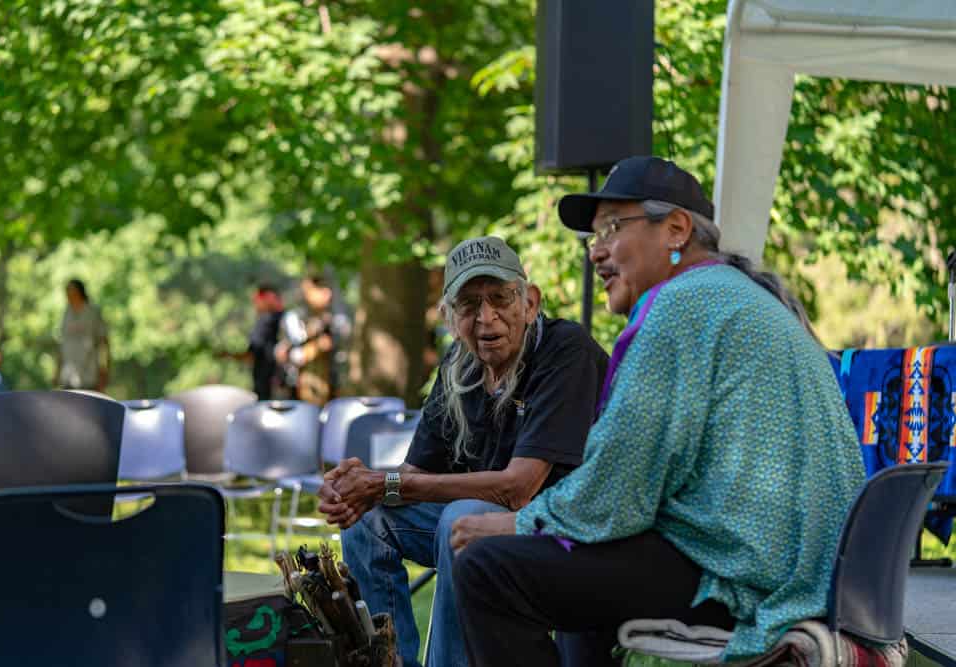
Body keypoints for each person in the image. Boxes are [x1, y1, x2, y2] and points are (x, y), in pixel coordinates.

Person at [448, 156, 867, 666]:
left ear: (675, 229)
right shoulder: (741, 297)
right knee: (576, 565)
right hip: (794, 571)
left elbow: (620, 488)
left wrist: (520, 524)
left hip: (744, 582)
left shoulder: (680, 307)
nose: (597, 253)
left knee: (489, 569)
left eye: (612, 229)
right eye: (593, 238)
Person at [317, 236, 609, 667]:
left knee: (464, 518)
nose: (486, 318)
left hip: (567, 537)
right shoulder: (460, 364)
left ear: (529, 302)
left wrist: (385, 482)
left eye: (499, 298)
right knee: (370, 519)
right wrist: (359, 490)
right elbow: (413, 474)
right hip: (493, 529)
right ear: (451, 318)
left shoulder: (565, 350)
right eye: (470, 304)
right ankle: (388, 662)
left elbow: (518, 490)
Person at [277, 275, 337, 405]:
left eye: (328, 288)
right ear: (307, 291)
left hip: (332, 396)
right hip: (298, 395)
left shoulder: (335, 319)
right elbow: (284, 354)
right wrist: (315, 349)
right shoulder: (294, 318)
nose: (327, 293)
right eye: (320, 288)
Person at [220, 284, 286, 400]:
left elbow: (250, 355)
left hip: (267, 388)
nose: (255, 304)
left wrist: (228, 355)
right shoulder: (287, 318)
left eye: (257, 300)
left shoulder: (265, 322)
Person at [54, 279, 110, 392]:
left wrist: (104, 371)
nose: (68, 295)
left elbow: (104, 344)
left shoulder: (93, 312)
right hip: (68, 378)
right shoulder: (66, 314)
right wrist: (57, 371)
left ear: (80, 292)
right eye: (67, 291)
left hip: (90, 377)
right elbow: (62, 345)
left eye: (71, 291)